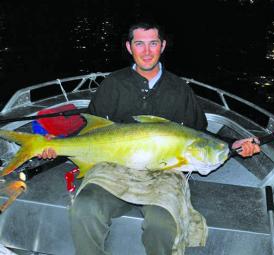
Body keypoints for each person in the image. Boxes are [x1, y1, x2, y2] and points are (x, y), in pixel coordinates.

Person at [39, 21, 260, 255]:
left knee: (162, 225)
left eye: (153, 43)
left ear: (162, 46)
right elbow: (91, 130)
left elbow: (200, 133)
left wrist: (233, 144)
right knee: (85, 208)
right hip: (113, 168)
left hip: (165, 175)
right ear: (129, 47)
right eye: (139, 44)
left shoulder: (179, 89)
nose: (146, 51)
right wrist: (56, 143)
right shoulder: (113, 84)